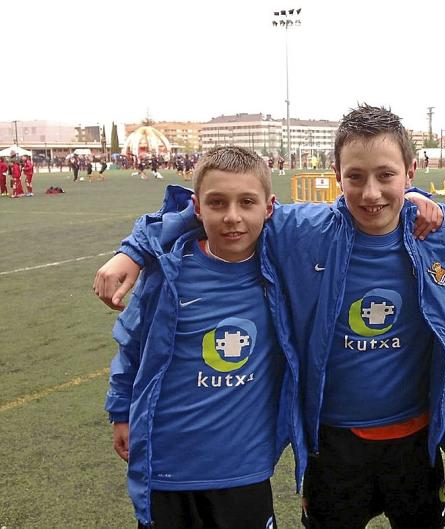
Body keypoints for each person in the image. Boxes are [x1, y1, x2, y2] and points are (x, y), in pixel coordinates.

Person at [94, 105, 445, 529]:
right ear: (336, 174)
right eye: (355, 176)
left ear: (410, 171)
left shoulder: (440, 230)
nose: (371, 192)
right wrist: (135, 249)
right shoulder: (300, 230)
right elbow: (213, 209)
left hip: (416, 443)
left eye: (385, 175)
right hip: (333, 446)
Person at [104, 146, 304, 528]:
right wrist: (120, 411)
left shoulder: (281, 268)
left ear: (269, 207)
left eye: (247, 202)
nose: (232, 217)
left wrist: (414, 196)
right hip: (168, 465)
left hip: (244, 468)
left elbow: (344, 215)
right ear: (197, 207)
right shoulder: (168, 272)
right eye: (217, 203)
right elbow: (132, 346)